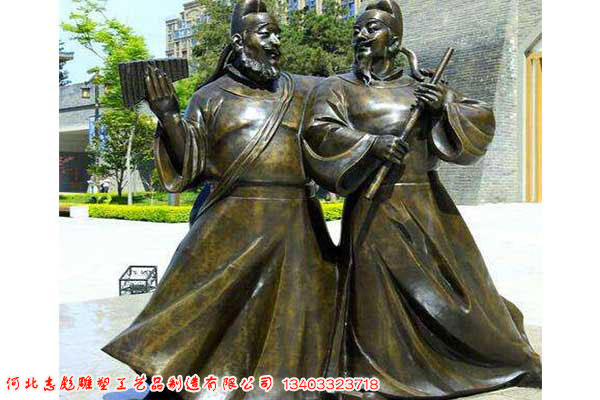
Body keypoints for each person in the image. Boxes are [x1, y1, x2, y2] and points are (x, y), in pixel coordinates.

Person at [301, 0, 542, 398]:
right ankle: (379, 375)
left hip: (427, 204)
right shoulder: (337, 88)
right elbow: (319, 131)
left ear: (394, 40)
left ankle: (504, 359)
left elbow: (479, 117)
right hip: (372, 207)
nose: (361, 34)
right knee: (376, 297)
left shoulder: (423, 85)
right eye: (358, 28)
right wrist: (370, 145)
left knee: (460, 296)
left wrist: (444, 104)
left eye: (372, 28)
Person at [102, 1, 338, 398]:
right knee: (204, 309)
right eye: (265, 34)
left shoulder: (304, 90)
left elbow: (346, 100)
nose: (275, 42)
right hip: (231, 221)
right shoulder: (209, 97)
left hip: (295, 221)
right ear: (239, 42)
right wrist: (169, 116)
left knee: (293, 314)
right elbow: (191, 165)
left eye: (277, 34)